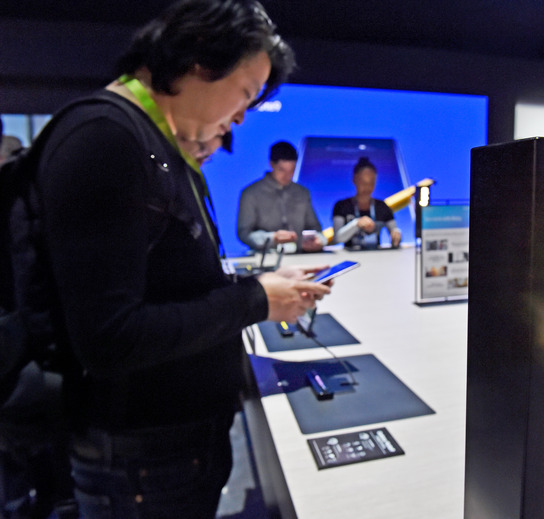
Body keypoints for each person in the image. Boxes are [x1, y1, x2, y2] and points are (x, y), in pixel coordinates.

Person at [32, 1, 330, 517]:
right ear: (198, 57)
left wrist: (256, 287)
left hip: (170, 449)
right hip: (141, 459)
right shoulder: (106, 137)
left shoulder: (155, 145)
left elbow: (172, 284)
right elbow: (109, 338)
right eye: (245, 94)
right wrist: (256, 299)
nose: (241, 116)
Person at [236, 140, 324, 253]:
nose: (287, 176)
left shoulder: (302, 192)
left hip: (300, 256)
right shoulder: (251, 193)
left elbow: (315, 228)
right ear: (271, 164)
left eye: (292, 170)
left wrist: (317, 241)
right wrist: (272, 238)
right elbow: (244, 233)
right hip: (266, 257)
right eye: (282, 170)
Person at [332, 156, 402, 249]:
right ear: (354, 180)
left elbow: (394, 230)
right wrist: (356, 223)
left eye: (371, 183)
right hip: (349, 256)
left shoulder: (382, 206)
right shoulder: (341, 206)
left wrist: (396, 234)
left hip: (376, 255)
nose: (367, 187)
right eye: (364, 183)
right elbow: (338, 238)